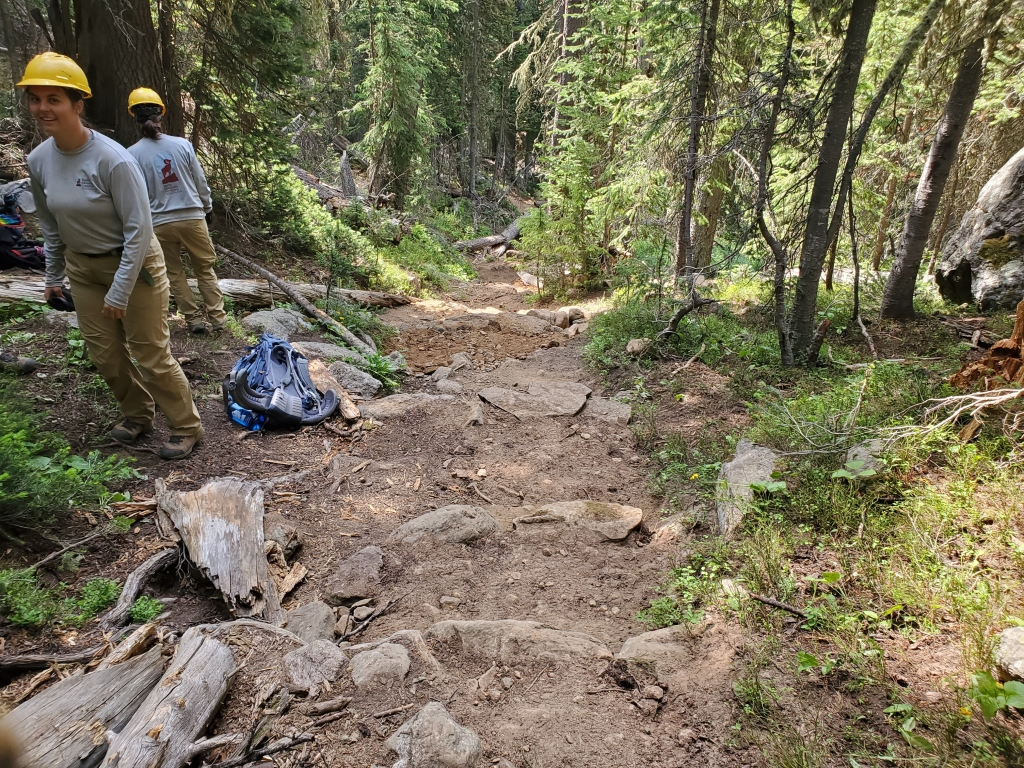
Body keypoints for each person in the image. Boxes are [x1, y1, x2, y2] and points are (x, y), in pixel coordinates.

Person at [19, 53, 203, 460]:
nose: (43, 108)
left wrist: (119, 291)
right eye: (35, 99)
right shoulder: (39, 160)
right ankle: (138, 414)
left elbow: (140, 229)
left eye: (54, 99)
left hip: (134, 266)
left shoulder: (113, 159)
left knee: (150, 352)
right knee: (105, 354)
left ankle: (186, 426)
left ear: (76, 104)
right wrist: (53, 277)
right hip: (82, 268)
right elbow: (50, 227)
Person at [126, 87, 226, 334]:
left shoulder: (130, 154)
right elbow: (200, 180)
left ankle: (193, 320)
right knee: (204, 269)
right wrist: (207, 206)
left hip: (159, 223)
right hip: (192, 216)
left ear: (134, 117)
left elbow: (135, 194)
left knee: (174, 272)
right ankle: (218, 320)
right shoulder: (182, 145)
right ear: (161, 114)